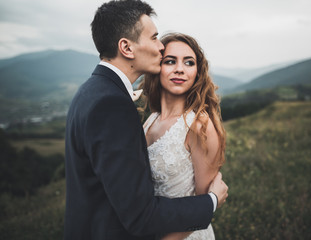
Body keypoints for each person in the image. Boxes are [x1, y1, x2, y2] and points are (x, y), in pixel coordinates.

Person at [64, 1, 228, 239]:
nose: (160, 47)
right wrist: (211, 202)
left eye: (189, 62)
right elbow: (139, 213)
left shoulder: (90, 91)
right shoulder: (119, 108)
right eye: (154, 38)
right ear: (126, 48)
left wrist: (206, 203)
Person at [141, 33, 226, 240]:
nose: (179, 69)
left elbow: (203, 206)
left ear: (197, 72)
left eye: (189, 62)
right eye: (170, 61)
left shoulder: (198, 125)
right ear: (157, 68)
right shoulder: (151, 121)